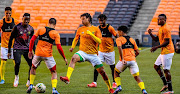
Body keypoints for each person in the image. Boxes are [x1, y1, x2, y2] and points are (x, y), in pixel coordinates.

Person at [59, 13, 114, 93]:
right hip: (83, 52)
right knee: (74, 58)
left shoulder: (96, 29)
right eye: (81, 19)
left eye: (83, 19)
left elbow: (99, 41)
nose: (82, 20)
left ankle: (110, 87)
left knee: (102, 72)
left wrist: (91, 35)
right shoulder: (80, 29)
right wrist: (72, 47)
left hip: (93, 55)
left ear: (88, 19)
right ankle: (67, 77)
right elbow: (76, 38)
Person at [26, 18, 68, 94]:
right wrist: (64, 58)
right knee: (54, 72)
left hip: (38, 54)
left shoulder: (40, 29)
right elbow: (59, 47)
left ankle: (31, 85)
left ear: (48, 23)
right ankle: (54, 89)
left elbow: (32, 40)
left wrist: (30, 51)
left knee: (33, 68)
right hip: (48, 55)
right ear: (55, 25)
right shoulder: (55, 33)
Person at [114, 26, 148, 94]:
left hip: (124, 60)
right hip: (133, 61)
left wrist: (123, 59)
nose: (117, 33)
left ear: (121, 32)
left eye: (118, 31)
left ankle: (119, 86)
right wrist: (132, 58)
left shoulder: (119, 39)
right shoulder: (132, 39)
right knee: (137, 77)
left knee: (116, 72)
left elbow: (119, 48)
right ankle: (143, 90)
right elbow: (137, 51)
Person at [87, 14, 118, 88]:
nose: (101, 21)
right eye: (100, 20)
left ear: (105, 20)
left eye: (102, 20)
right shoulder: (97, 28)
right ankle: (94, 82)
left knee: (112, 67)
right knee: (97, 66)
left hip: (109, 51)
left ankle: (114, 82)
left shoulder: (110, 28)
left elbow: (116, 36)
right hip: (100, 51)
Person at [148, 14, 174, 93]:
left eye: (160, 19)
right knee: (156, 66)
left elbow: (167, 42)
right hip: (164, 51)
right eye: (158, 19)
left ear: (165, 20)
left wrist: (156, 47)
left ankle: (170, 90)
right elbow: (156, 39)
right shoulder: (161, 28)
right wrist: (150, 33)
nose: (158, 21)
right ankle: (165, 84)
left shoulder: (166, 28)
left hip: (167, 51)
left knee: (166, 70)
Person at [8, 13, 34, 87]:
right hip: (17, 48)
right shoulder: (17, 27)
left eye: (28, 19)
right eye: (25, 19)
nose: (26, 21)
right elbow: (11, 38)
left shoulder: (31, 29)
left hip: (27, 49)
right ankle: (16, 77)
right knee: (17, 62)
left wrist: (33, 51)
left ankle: (29, 80)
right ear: (22, 18)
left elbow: (32, 41)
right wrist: (9, 51)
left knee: (31, 64)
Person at [0, 7, 19, 84]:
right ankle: (2, 79)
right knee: (3, 62)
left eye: (9, 13)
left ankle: (16, 77)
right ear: (5, 13)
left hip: (13, 46)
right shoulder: (1, 22)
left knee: (15, 62)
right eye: (6, 13)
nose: (8, 15)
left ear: (11, 13)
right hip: (4, 45)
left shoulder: (15, 22)